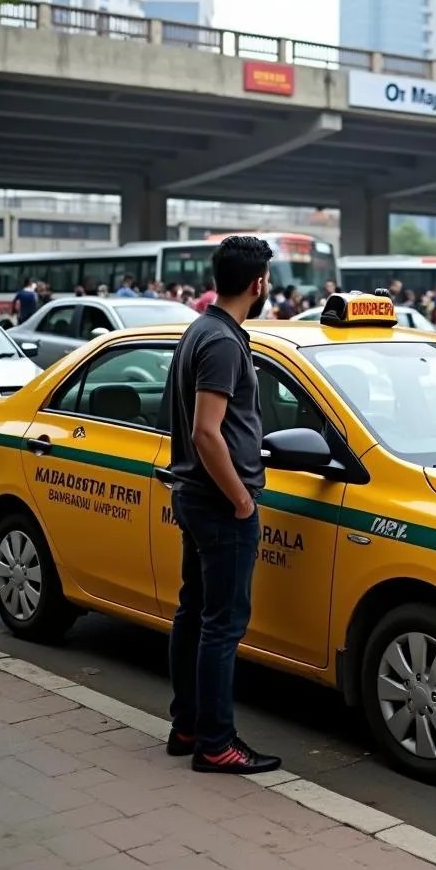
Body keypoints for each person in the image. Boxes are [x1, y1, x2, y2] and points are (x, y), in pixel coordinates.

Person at [165, 235, 281, 775]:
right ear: (258, 283)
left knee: (194, 616)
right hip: (217, 502)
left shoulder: (202, 330)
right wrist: (240, 501)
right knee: (221, 625)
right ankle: (215, 743)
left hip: (194, 497)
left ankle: (187, 726)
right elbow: (207, 432)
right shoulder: (223, 343)